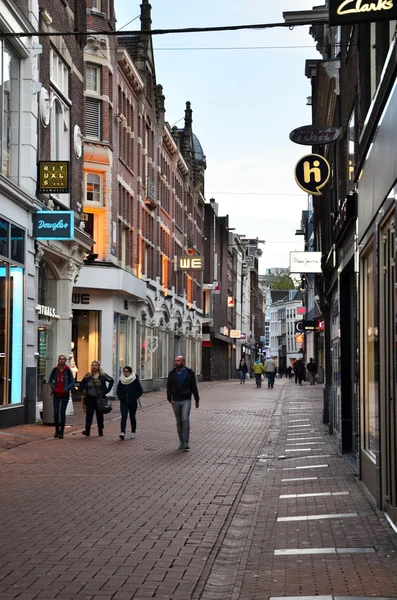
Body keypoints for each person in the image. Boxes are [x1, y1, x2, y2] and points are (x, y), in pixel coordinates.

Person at [167, 355, 199, 451]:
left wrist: (197, 399)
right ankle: (181, 441)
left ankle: (185, 441)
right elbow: (169, 387)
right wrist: (169, 399)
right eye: (175, 361)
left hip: (186, 399)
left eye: (178, 361)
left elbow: (194, 387)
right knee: (179, 420)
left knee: (185, 418)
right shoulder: (172, 373)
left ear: (183, 362)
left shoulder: (189, 373)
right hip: (176, 400)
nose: (176, 362)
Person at [80, 361, 114, 437]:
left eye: (96, 365)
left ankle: (100, 430)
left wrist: (107, 390)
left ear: (99, 366)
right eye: (93, 365)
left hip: (99, 399)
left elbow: (111, 381)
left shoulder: (103, 375)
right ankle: (87, 430)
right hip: (90, 398)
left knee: (99, 415)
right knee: (89, 414)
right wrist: (84, 389)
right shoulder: (88, 375)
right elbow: (82, 383)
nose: (94, 367)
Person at [48, 354, 75, 439]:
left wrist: (66, 389)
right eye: (60, 359)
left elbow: (72, 382)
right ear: (58, 360)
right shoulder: (55, 370)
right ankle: (57, 430)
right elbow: (50, 380)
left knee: (62, 412)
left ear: (65, 361)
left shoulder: (67, 370)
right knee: (56, 412)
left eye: (63, 359)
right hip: (56, 394)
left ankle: (62, 432)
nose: (62, 361)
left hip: (65, 394)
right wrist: (54, 388)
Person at [117, 366, 143, 440]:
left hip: (132, 402)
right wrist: (121, 398)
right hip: (124, 402)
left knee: (132, 417)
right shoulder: (121, 380)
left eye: (127, 371)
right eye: (124, 371)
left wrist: (134, 397)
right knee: (124, 417)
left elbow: (140, 391)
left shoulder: (134, 380)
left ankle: (133, 432)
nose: (125, 373)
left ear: (130, 372)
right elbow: (118, 390)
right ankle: (122, 432)